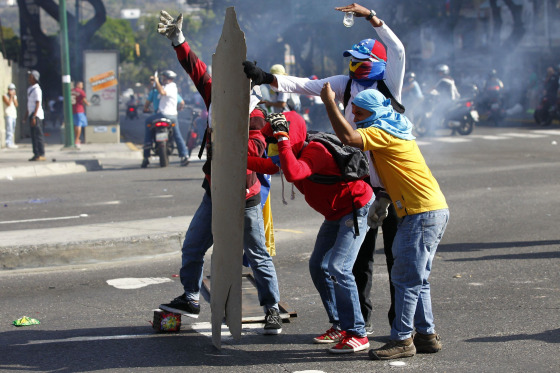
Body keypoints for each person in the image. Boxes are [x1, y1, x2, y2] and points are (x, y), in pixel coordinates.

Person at [243, 2, 405, 335]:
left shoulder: (390, 84)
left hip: (393, 183)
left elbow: (398, 49)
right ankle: (355, 323)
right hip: (362, 182)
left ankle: (402, 328)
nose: (355, 65)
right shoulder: (344, 85)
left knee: (397, 260)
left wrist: (372, 18)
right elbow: (303, 85)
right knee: (356, 264)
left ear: (378, 65)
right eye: (352, 59)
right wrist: (266, 78)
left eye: (361, 60)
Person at [155, 10, 283, 334]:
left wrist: (238, 143)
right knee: (193, 246)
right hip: (214, 191)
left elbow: (254, 150)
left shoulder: (253, 113)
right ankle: (191, 296)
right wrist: (177, 39)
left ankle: (271, 311)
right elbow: (196, 70)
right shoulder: (216, 93)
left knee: (257, 255)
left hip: (244, 196)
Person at [321, 83, 449, 360]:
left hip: (421, 214)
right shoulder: (394, 124)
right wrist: (384, 197)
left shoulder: (382, 131)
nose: (354, 116)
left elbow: (348, 137)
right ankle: (426, 335)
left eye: (358, 111)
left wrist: (330, 103)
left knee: (404, 278)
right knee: (418, 279)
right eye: (352, 110)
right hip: (428, 209)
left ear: (373, 112)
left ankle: (403, 340)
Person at [247, 110, 374, 353]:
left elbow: (294, 172)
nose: (272, 146)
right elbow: (270, 166)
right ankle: (339, 325)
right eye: (271, 142)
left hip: (354, 209)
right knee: (318, 265)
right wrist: (235, 158)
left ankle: (357, 332)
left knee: (339, 267)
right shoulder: (292, 151)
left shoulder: (316, 150)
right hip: (335, 214)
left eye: (275, 141)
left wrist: (283, 138)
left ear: (290, 137)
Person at [141, 70, 190, 168]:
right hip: (171, 116)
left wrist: (156, 81)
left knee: (147, 122)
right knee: (177, 135)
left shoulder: (171, 87)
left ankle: (147, 148)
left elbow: (161, 92)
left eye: (164, 78)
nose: (162, 79)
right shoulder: (165, 87)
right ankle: (184, 155)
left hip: (164, 115)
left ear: (169, 79)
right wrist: (154, 80)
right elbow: (159, 88)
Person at [24, 70, 45, 162]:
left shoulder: (37, 89)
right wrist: (26, 116)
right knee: (33, 135)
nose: (29, 78)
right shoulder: (30, 89)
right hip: (31, 113)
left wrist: (34, 116)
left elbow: (37, 103)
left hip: (36, 115)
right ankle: (36, 153)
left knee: (38, 135)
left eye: (30, 76)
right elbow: (29, 104)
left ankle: (41, 153)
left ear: (34, 78)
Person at [71, 81, 90, 147]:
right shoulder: (81, 91)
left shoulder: (71, 91)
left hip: (72, 110)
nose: (82, 86)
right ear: (79, 85)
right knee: (79, 125)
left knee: (75, 125)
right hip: (79, 110)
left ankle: (76, 139)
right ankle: (77, 140)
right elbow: (84, 99)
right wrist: (88, 104)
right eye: (82, 85)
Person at [3, 83, 18, 149]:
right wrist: (11, 96)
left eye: (13, 89)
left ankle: (11, 142)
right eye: (11, 89)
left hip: (13, 115)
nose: (12, 91)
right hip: (8, 114)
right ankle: (8, 143)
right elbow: (8, 103)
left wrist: (14, 97)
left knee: (12, 129)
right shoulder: (5, 96)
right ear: (8, 90)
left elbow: (16, 104)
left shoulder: (14, 97)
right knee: (9, 129)